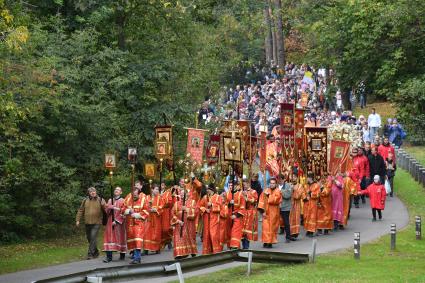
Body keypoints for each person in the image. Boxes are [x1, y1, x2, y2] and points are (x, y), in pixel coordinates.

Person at [76, 187, 106, 260]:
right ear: (89, 193)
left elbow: (106, 209)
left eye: (94, 191)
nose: (93, 193)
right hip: (87, 222)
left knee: (93, 237)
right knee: (90, 239)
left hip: (97, 222)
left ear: (96, 192)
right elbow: (81, 210)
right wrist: (77, 220)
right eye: (91, 192)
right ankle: (96, 252)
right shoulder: (85, 200)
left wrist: (103, 205)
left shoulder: (100, 199)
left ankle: (90, 254)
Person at [122, 189, 149, 264]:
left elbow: (146, 210)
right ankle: (135, 256)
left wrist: (138, 215)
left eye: (136, 195)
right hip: (129, 223)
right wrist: (128, 211)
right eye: (133, 195)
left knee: (137, 240)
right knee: (132, 240)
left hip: (139, 223)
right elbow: (122, 208)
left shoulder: (143, 199)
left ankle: (137, 258)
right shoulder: (128, 199)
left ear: (139, 194)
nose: (134, 196)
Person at [170, 186, 198, 259]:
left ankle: (191, 252)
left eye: (183, 193)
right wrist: (177, 221)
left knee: (188, 238)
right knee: (179, 238)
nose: (182, 195)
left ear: (187, 194)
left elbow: (196, 212)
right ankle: (179, 253)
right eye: (181, 193)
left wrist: (187, 209)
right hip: (179, 224)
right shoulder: (177, 203)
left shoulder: (192, 202)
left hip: (189, 224)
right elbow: (172, 213)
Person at [102, 187, 126, 263]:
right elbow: (106, 211)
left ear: (121, 192)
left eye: (118, 190)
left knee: (120, 238)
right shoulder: (110, 200)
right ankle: (109, 257)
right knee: (109, 238)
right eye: (115, 190)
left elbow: (124, 213)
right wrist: (109, 207)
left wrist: (117, 220)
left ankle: (122, 254)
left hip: (119, 223)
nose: (116, 191)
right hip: (110, 222)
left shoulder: (123, 201)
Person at [258, 177, 282, 248]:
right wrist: (262, 211)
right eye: (271, 183)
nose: (272, 185)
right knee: (265, 228)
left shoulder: (278, 191)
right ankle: (265, 241)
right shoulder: (265, 190)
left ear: (275, 184)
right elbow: (261, 200)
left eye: (273, 183)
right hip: (266, 212)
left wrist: (269, 196)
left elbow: (277, 200)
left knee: (272, 228)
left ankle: (270, 242)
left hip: (274, 213)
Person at [198, 185, 222, 254]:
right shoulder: (205, 197)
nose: (207, 191)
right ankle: (207, 250)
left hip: (214, 219)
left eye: (209, 189)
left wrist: (212, 205)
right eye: (207, 189)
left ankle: (216, 250)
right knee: (207, 234)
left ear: (212, 190)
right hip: (206, 219)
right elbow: (200, 206)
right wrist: (205, 209)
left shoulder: (218, 197)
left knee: (213, 234)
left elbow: (220, 207)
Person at [144, 184, 163, 254]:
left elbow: (162, 207)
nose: (157, 191)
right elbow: (144, 207)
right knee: (147, 233)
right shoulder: (147, 197)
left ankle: (157, 248)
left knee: (156, 233)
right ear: (152, 190)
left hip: (156, 218)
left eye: (158, 189)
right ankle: (146, 249)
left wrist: (156, 209)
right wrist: (149, 207)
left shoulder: (159, 198)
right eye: (156, 189)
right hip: (148, 218)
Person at [227, 179, 246, 249]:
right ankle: (231, 246)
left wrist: (236, 215)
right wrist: (229, 204)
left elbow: (242, 207)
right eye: (229, 185)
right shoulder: (227, 194)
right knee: (229, 232)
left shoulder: (240, 195)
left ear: (236, 186)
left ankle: (234, 247)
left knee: (235, 232)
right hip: (229, 216)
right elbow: (224, 205)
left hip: (237, 216)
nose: (230, 187)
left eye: (232, 185)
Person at [242, 178, 258, 249]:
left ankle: (246, 246)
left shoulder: (253, 191)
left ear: (248, 184)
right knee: (242, 230)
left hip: (251, 212)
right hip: (244, 212)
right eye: (243, 185)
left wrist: (247, 197)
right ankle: (243, 246)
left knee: (248, 230)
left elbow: (254, 200)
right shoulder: (242, 191)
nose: (244, 186)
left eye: (245, 184)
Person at [279, 176, 295, 243]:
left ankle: (288, 237)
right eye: (278, 180)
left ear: (283, 179)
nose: (279, 181)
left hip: (285, 207)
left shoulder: (288, 186)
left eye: (280, 179)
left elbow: (287, 195)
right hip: (277, 207)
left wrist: (281, 191)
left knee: (286, 222)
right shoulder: (275, 185)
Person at [160, 182, 173, 249]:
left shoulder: (168, 192)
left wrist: (163, 202)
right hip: (159, 213)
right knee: (160, 229)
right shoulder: (157, 192)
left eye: (163, 185)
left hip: (165, 212)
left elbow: (170, 202)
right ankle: (161, 243)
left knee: (166, 228)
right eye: (161, 185)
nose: (161, 186)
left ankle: (169, 240)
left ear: (165, 186)